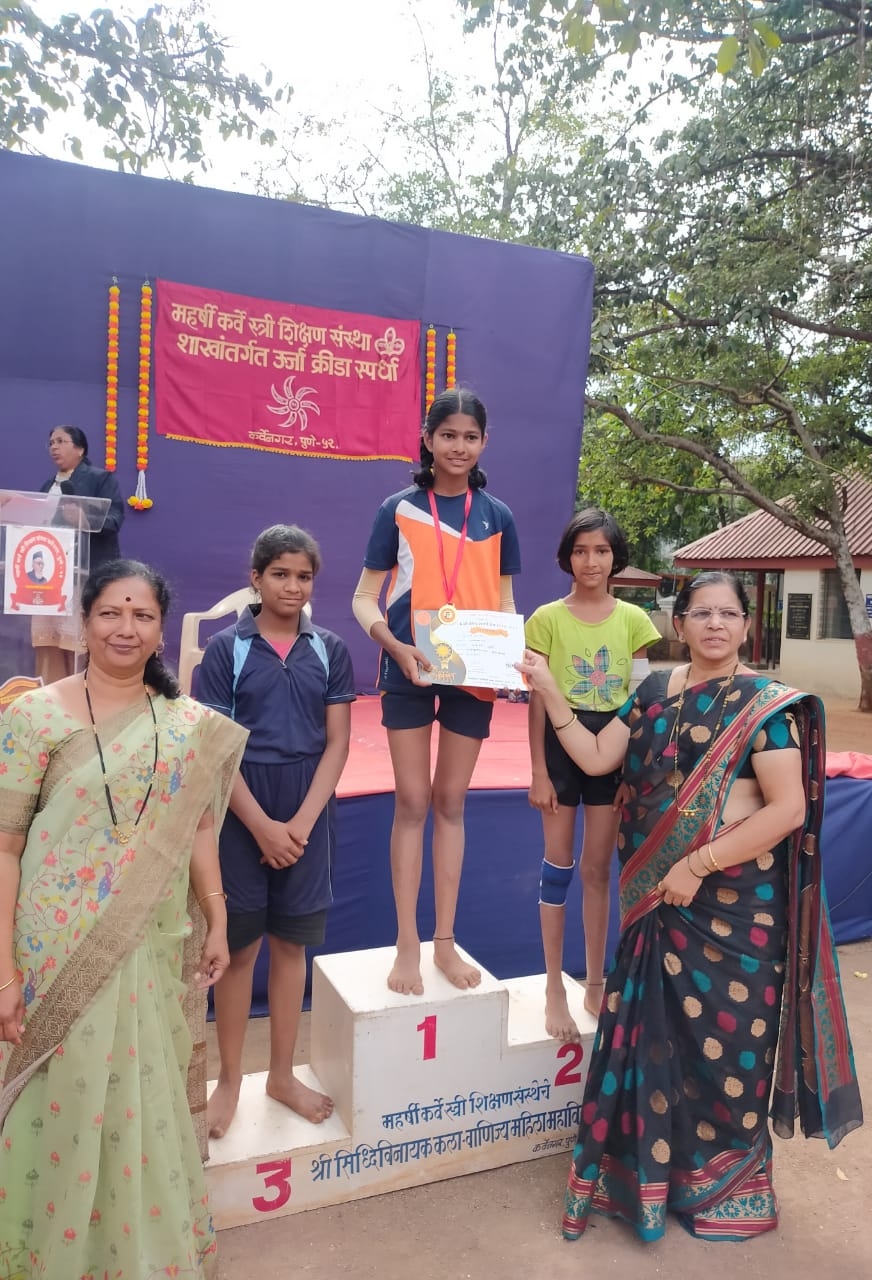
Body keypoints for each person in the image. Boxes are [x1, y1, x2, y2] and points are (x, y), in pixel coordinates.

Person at [518, 571, 863, 1244]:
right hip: (658, 902)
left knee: (728, 1045)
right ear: (677, 624)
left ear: (746, 626)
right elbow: (596, 758)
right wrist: (551, 690)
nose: (715, 625)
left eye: (728, 614)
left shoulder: (766, 707)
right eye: (701, 613)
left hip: (735, 908)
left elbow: (788, 810)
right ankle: (652, 1177)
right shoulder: (651, 693)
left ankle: (727, 1185)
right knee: (657, 1039)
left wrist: (696, 864)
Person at [0, 559, 247, 1278]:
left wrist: (217, 916)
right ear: (83, 622)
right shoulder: (33, 716)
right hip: (51, 946)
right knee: (60, 1095)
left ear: (162, 632)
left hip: (146, 944)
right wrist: (4, 971)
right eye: (110, 612)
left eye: (142, 616)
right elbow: (5, 847)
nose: (125, 628)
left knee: (139, 1094)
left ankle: (128, 1251)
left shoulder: (186, 724)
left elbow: (199, 829)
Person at [352, 388, 521, 996]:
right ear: (427, 439)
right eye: (447, 435)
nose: (458, 446)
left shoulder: (497, 515)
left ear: (484, 442)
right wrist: (395, 647)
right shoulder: (397, 509)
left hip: (472, 675)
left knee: (451, 802)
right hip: (410, 668)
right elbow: (364, 597)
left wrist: (506, 654)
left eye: (470, 436)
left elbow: (504, 601)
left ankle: (444, 942)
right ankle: (407, 942)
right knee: (412, 802)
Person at [195, 525, 355, 1139]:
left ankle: (282, 1075)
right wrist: (262, 827)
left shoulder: (329, 649)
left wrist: (301, 825)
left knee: (291, 947)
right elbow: (216, 749)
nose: (293, 586)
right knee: (238, 951)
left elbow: (337, 743)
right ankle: (230, 1081)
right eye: (280, 574)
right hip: (241, 815)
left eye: (304, 576)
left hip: (308, 813)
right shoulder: (224, 650)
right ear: (255, 578)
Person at [525, 509, 660, 1041]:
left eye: (601, 551)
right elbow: (538, 700)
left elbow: (643, 701)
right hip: (560, 744)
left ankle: (596, 981)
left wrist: (631, 771)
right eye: (581, 551)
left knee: (597, 870)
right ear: (567, 557)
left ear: (615, 557)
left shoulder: (634, 620)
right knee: (557, 866)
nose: (591, 561)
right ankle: (553, 986)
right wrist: (538, 771)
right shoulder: (545, 619)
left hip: (616, 744)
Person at [33, 425, 126, 686]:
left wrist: (86, 519)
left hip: (86, 573)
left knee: (80, 642)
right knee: (49, 642)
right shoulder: (48, 485)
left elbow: (115, 519)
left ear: (80, 449)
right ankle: (50, 695)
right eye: (51, 442)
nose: (53, 447)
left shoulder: (100, 479)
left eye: (61, 441)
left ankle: (86, 693)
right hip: (51, 575)